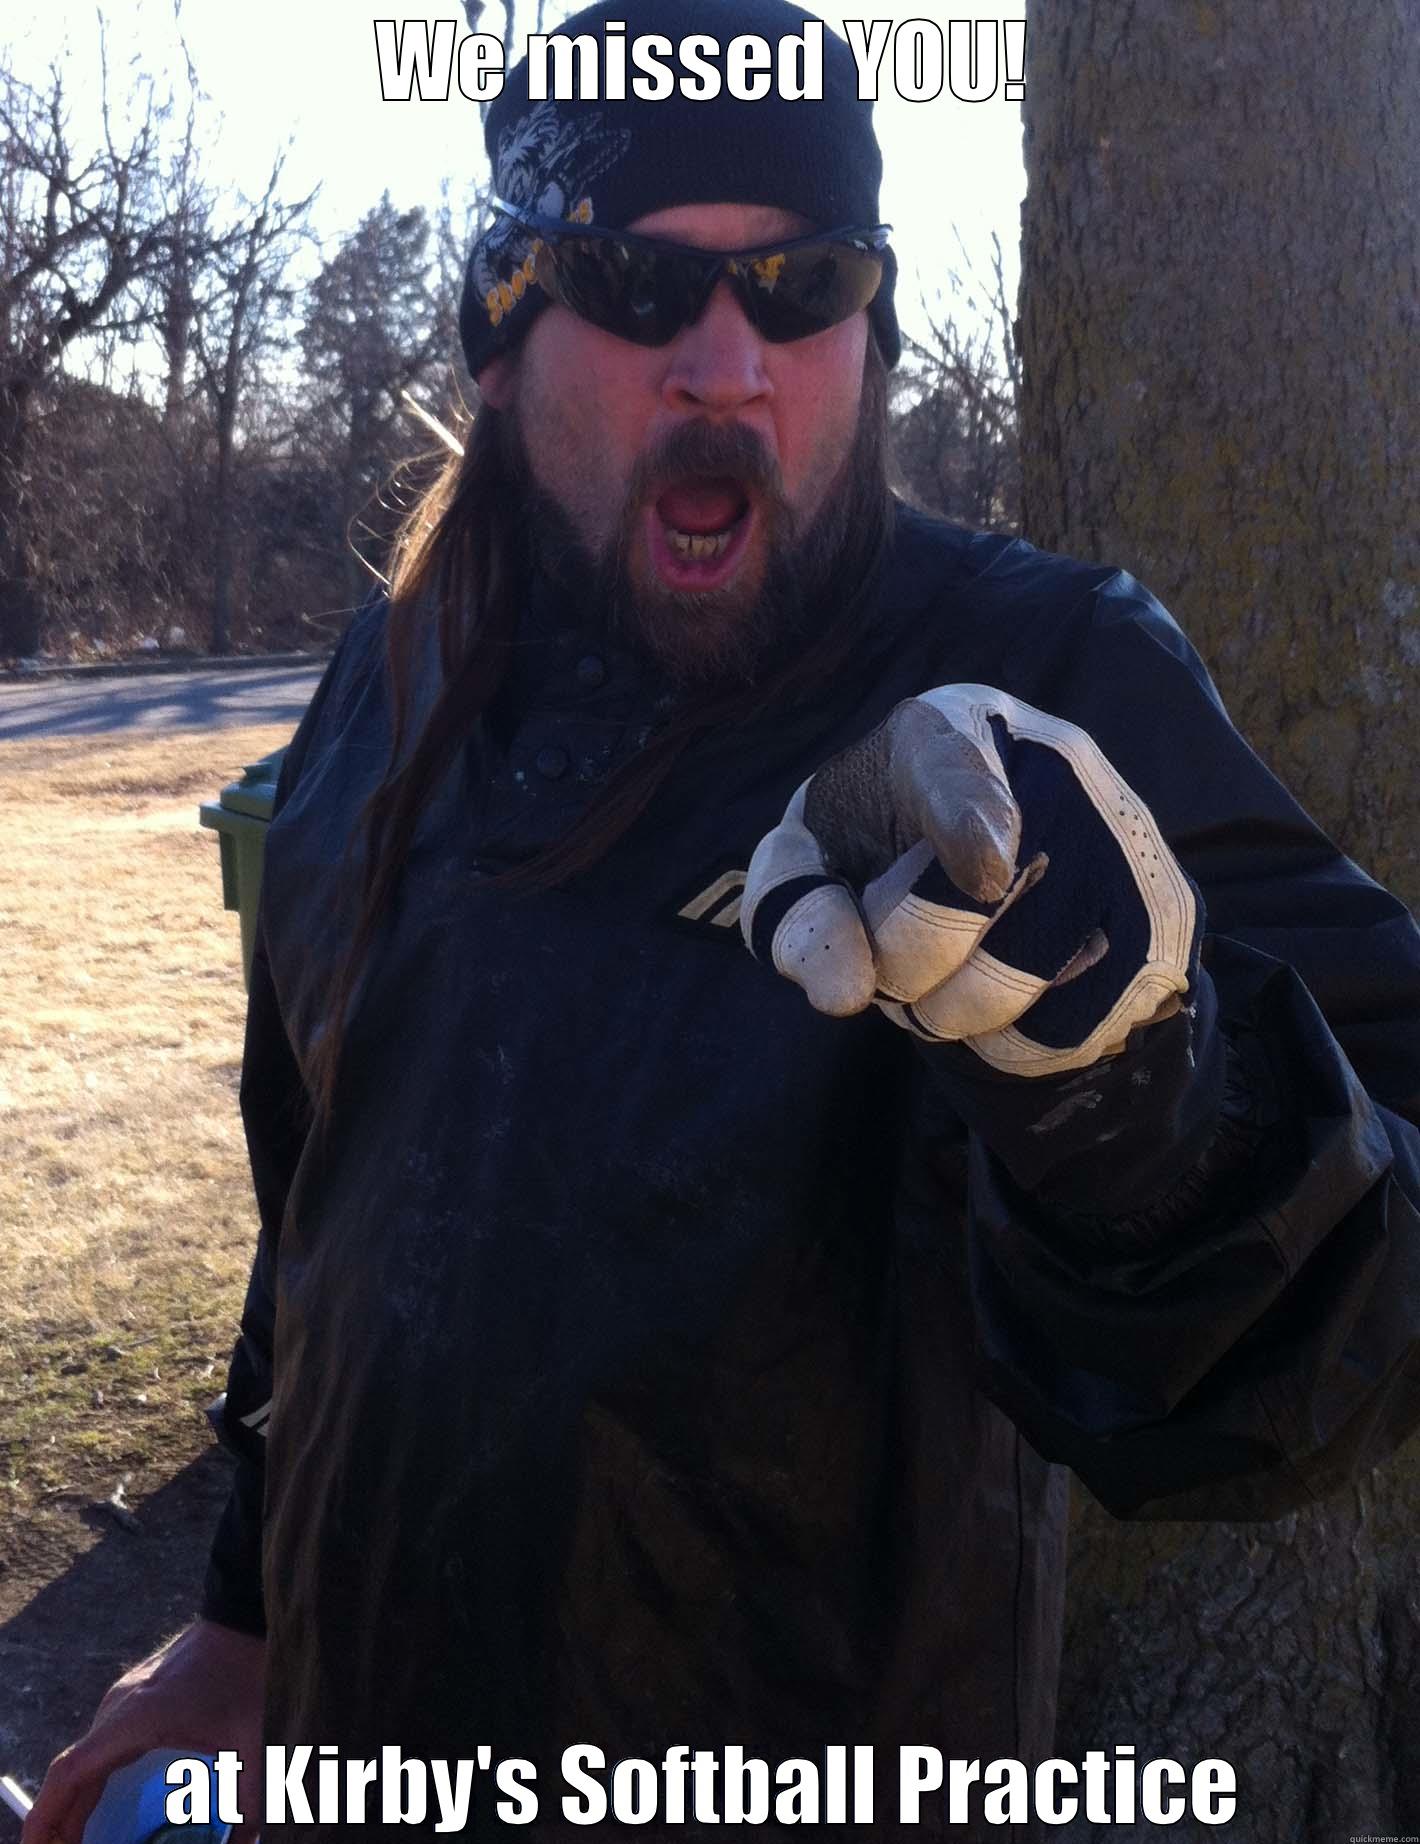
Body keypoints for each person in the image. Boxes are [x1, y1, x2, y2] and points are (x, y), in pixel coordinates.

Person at [26, 1, 1420, 1839]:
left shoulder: (1030, 679)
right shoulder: (394, 667)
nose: (727, 362)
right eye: (632, 284)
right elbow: (325, 1212)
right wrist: (239, 1616)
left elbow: (1370, 1306)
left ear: (873, 328)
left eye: (800, 283)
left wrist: (1150, 1097)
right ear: (505, 330)